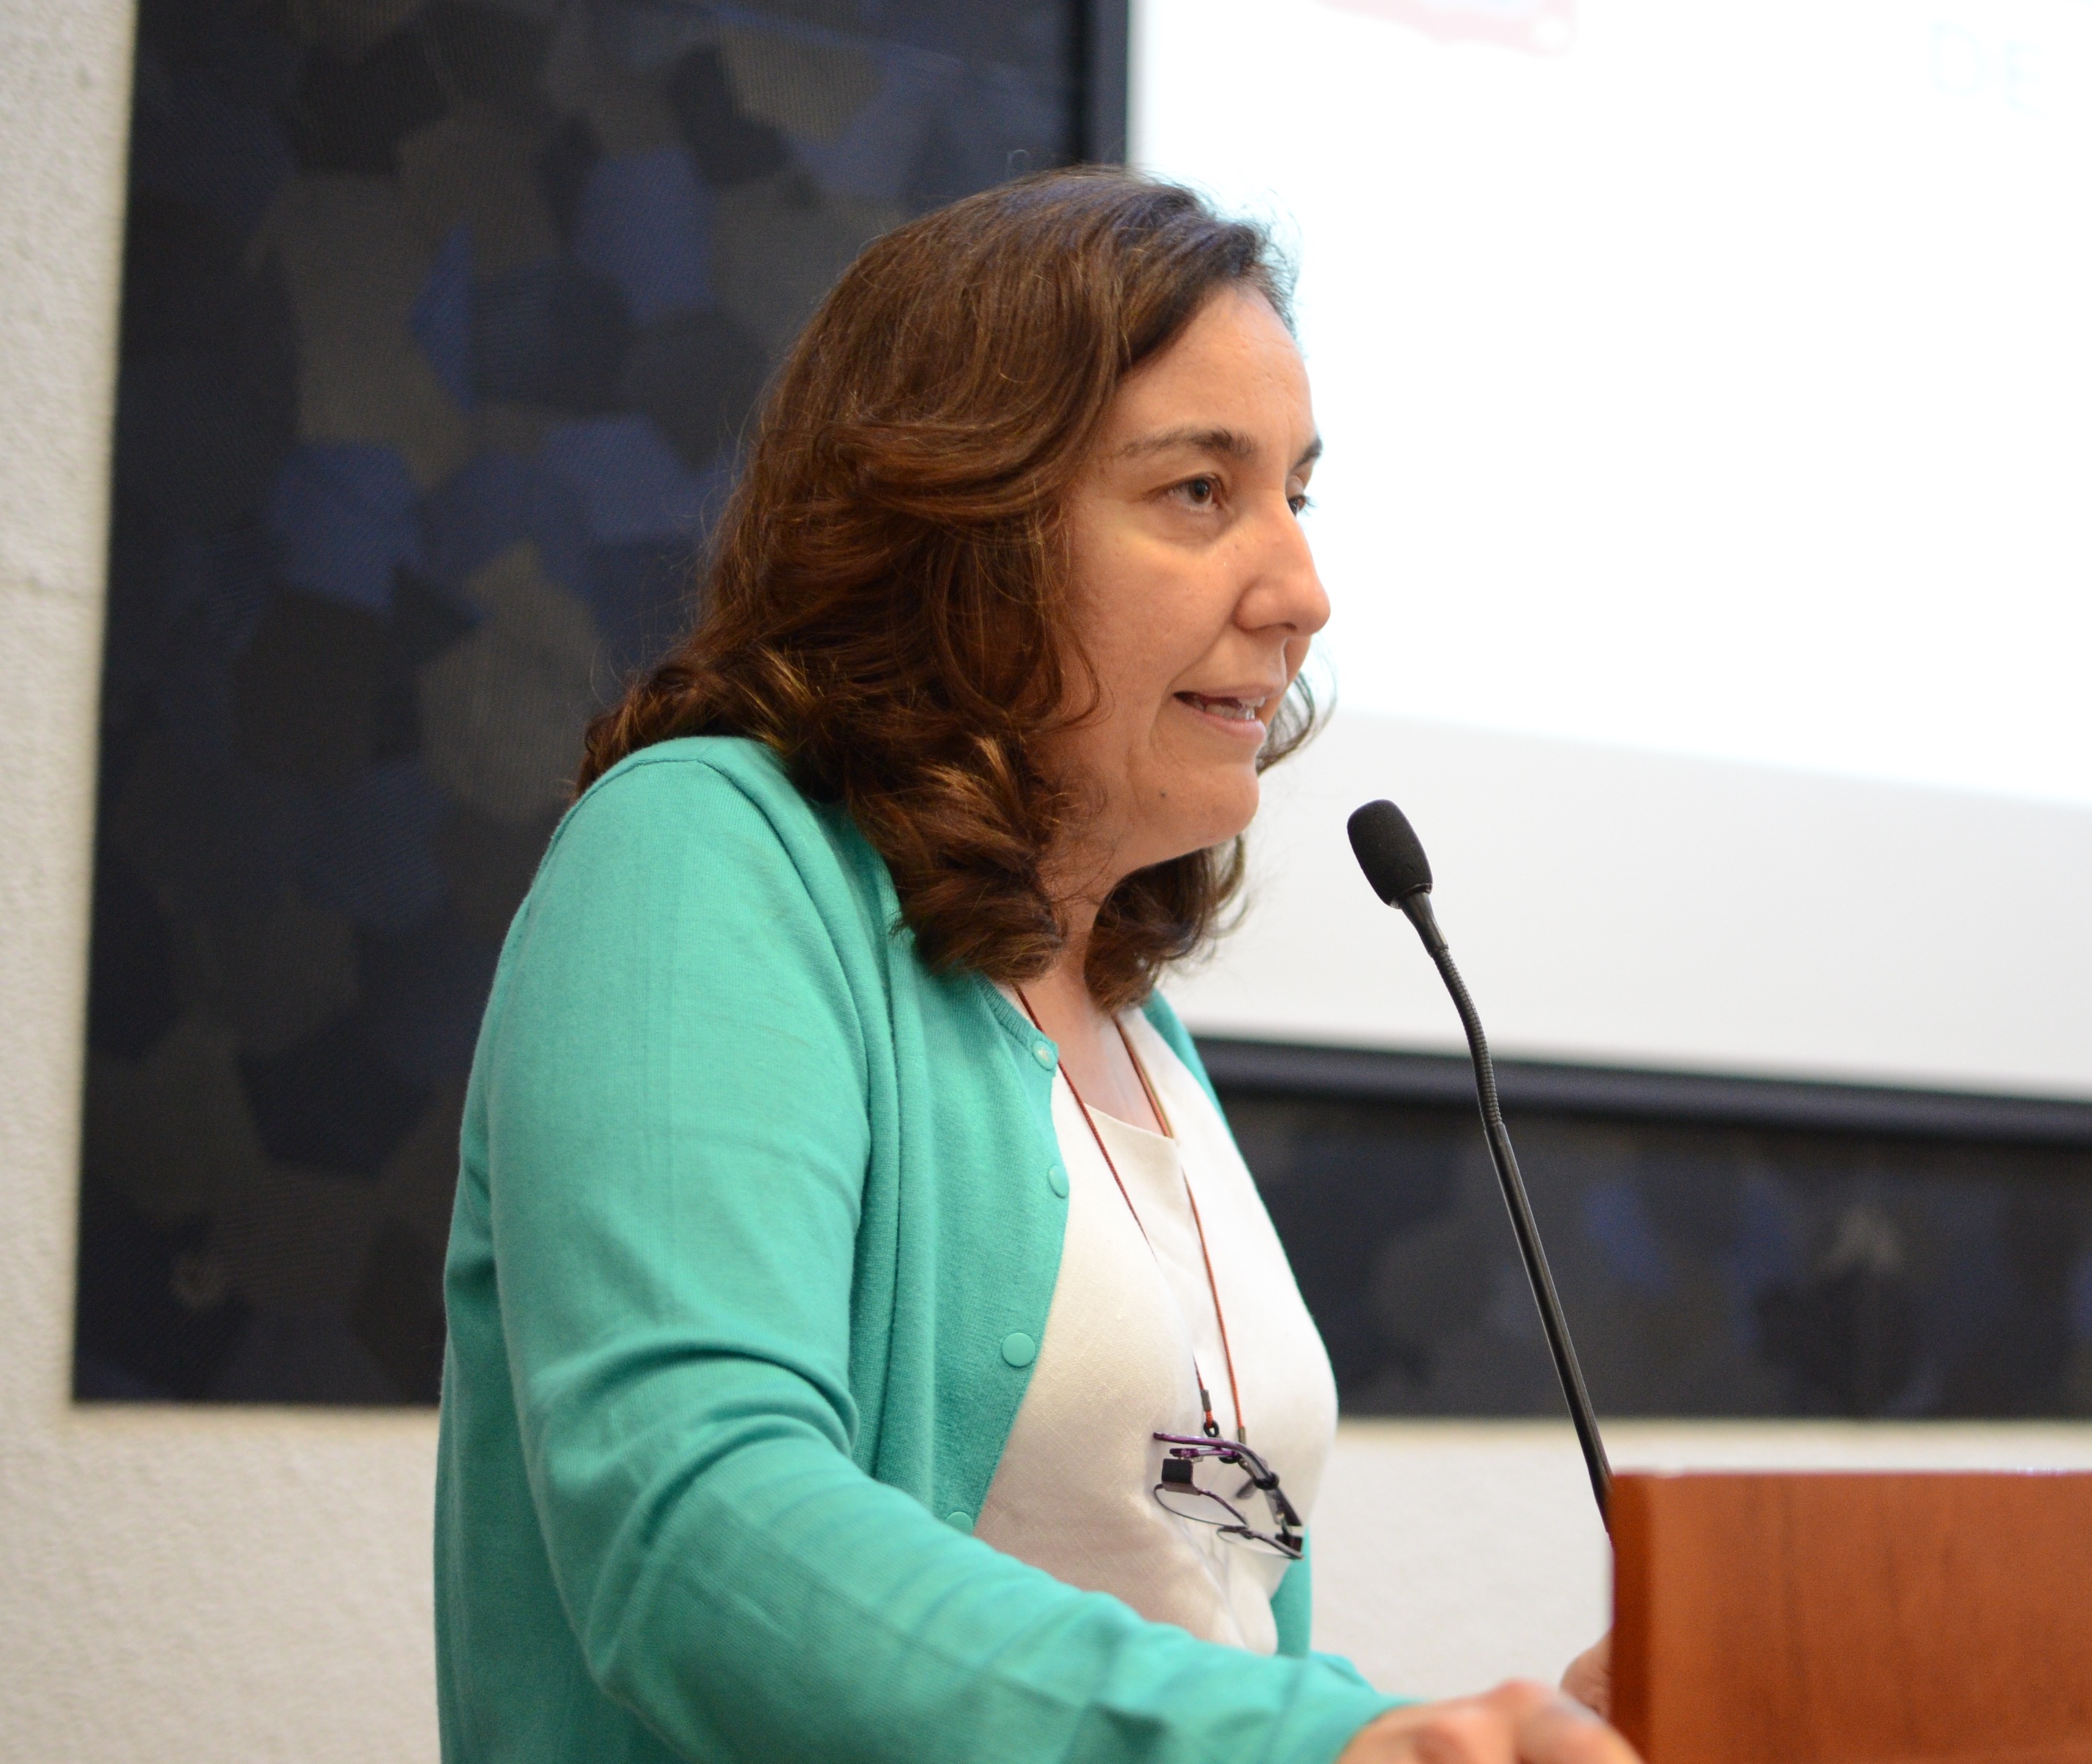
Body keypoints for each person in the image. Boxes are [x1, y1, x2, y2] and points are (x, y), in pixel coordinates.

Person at [432, 168, 1635, 1764]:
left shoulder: (1134, 1024)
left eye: (1297, 494)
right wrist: (1343, 1748)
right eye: (1200, 492)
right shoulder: (704, 856)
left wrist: (1519, 1736)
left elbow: (1195, 1604)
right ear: (961, 528)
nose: (1299, 592)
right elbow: (693, 1525)